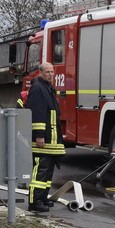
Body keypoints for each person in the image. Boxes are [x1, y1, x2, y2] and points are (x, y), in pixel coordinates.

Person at [25, 61, 65, 213]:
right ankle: (34, 201)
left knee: (47, 173)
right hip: (43, 140)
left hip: (51, 141)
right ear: (40, 73)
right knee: (40, 171)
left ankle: (42, 198)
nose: (51, 74)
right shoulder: (38, 88)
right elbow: (37, 113)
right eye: (47, 72)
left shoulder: (48, 88)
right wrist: (39, 135)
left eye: (52, 72)